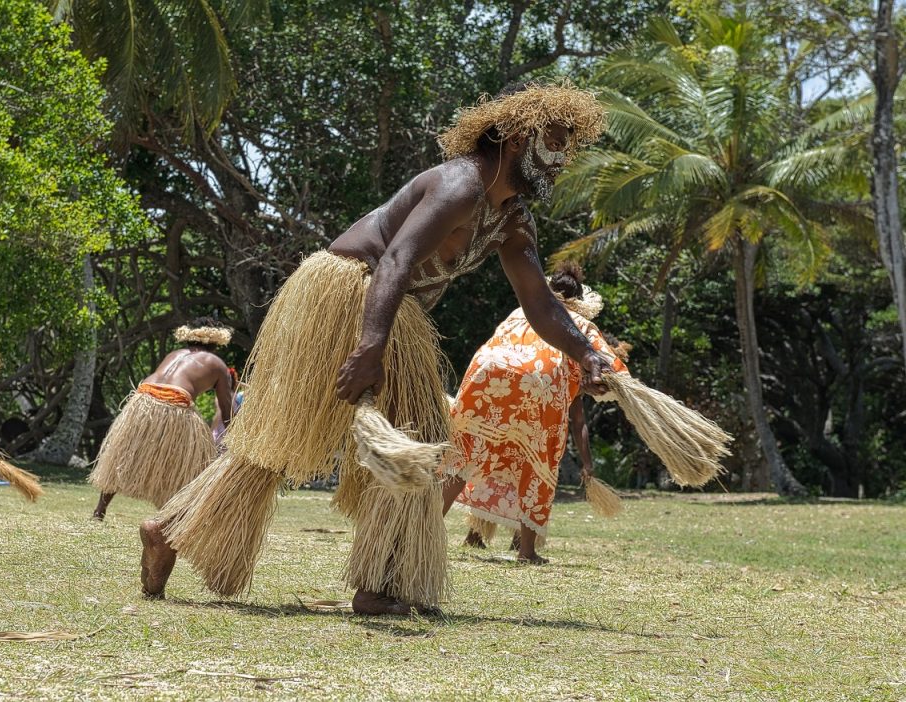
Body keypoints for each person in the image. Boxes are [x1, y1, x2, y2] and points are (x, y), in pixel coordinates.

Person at [139, 81, 615, 615]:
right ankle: (377, 585)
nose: (558, 163)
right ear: (514, 138)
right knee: (332, 437)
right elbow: (396, 260)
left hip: (390, 308)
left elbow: (540, 303)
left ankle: (175, 529)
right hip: (348, 291)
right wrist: (371, 347)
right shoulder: (460, 183)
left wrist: (586, 353)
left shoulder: (512, 219)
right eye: (552, 144)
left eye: (565, 150)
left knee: (387, 441)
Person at [442, 262, 630, 563]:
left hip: (486, 372)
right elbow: (610, 369)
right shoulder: (577, 324)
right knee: (538, 464)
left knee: (463, 456)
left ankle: (427, 529)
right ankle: (527, 552)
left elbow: (495, 341)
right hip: (540, 384)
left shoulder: (522, 311)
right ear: (579, 301)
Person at [89, 319, 234, 520]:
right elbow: (227, 412)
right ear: (216, 344)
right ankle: (175, 514)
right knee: (191, 460)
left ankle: (100, 510)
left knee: (124, 452)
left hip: (141, 400)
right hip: (174, 403)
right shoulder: (217, 365)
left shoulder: (174, 355)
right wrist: (235, 440)